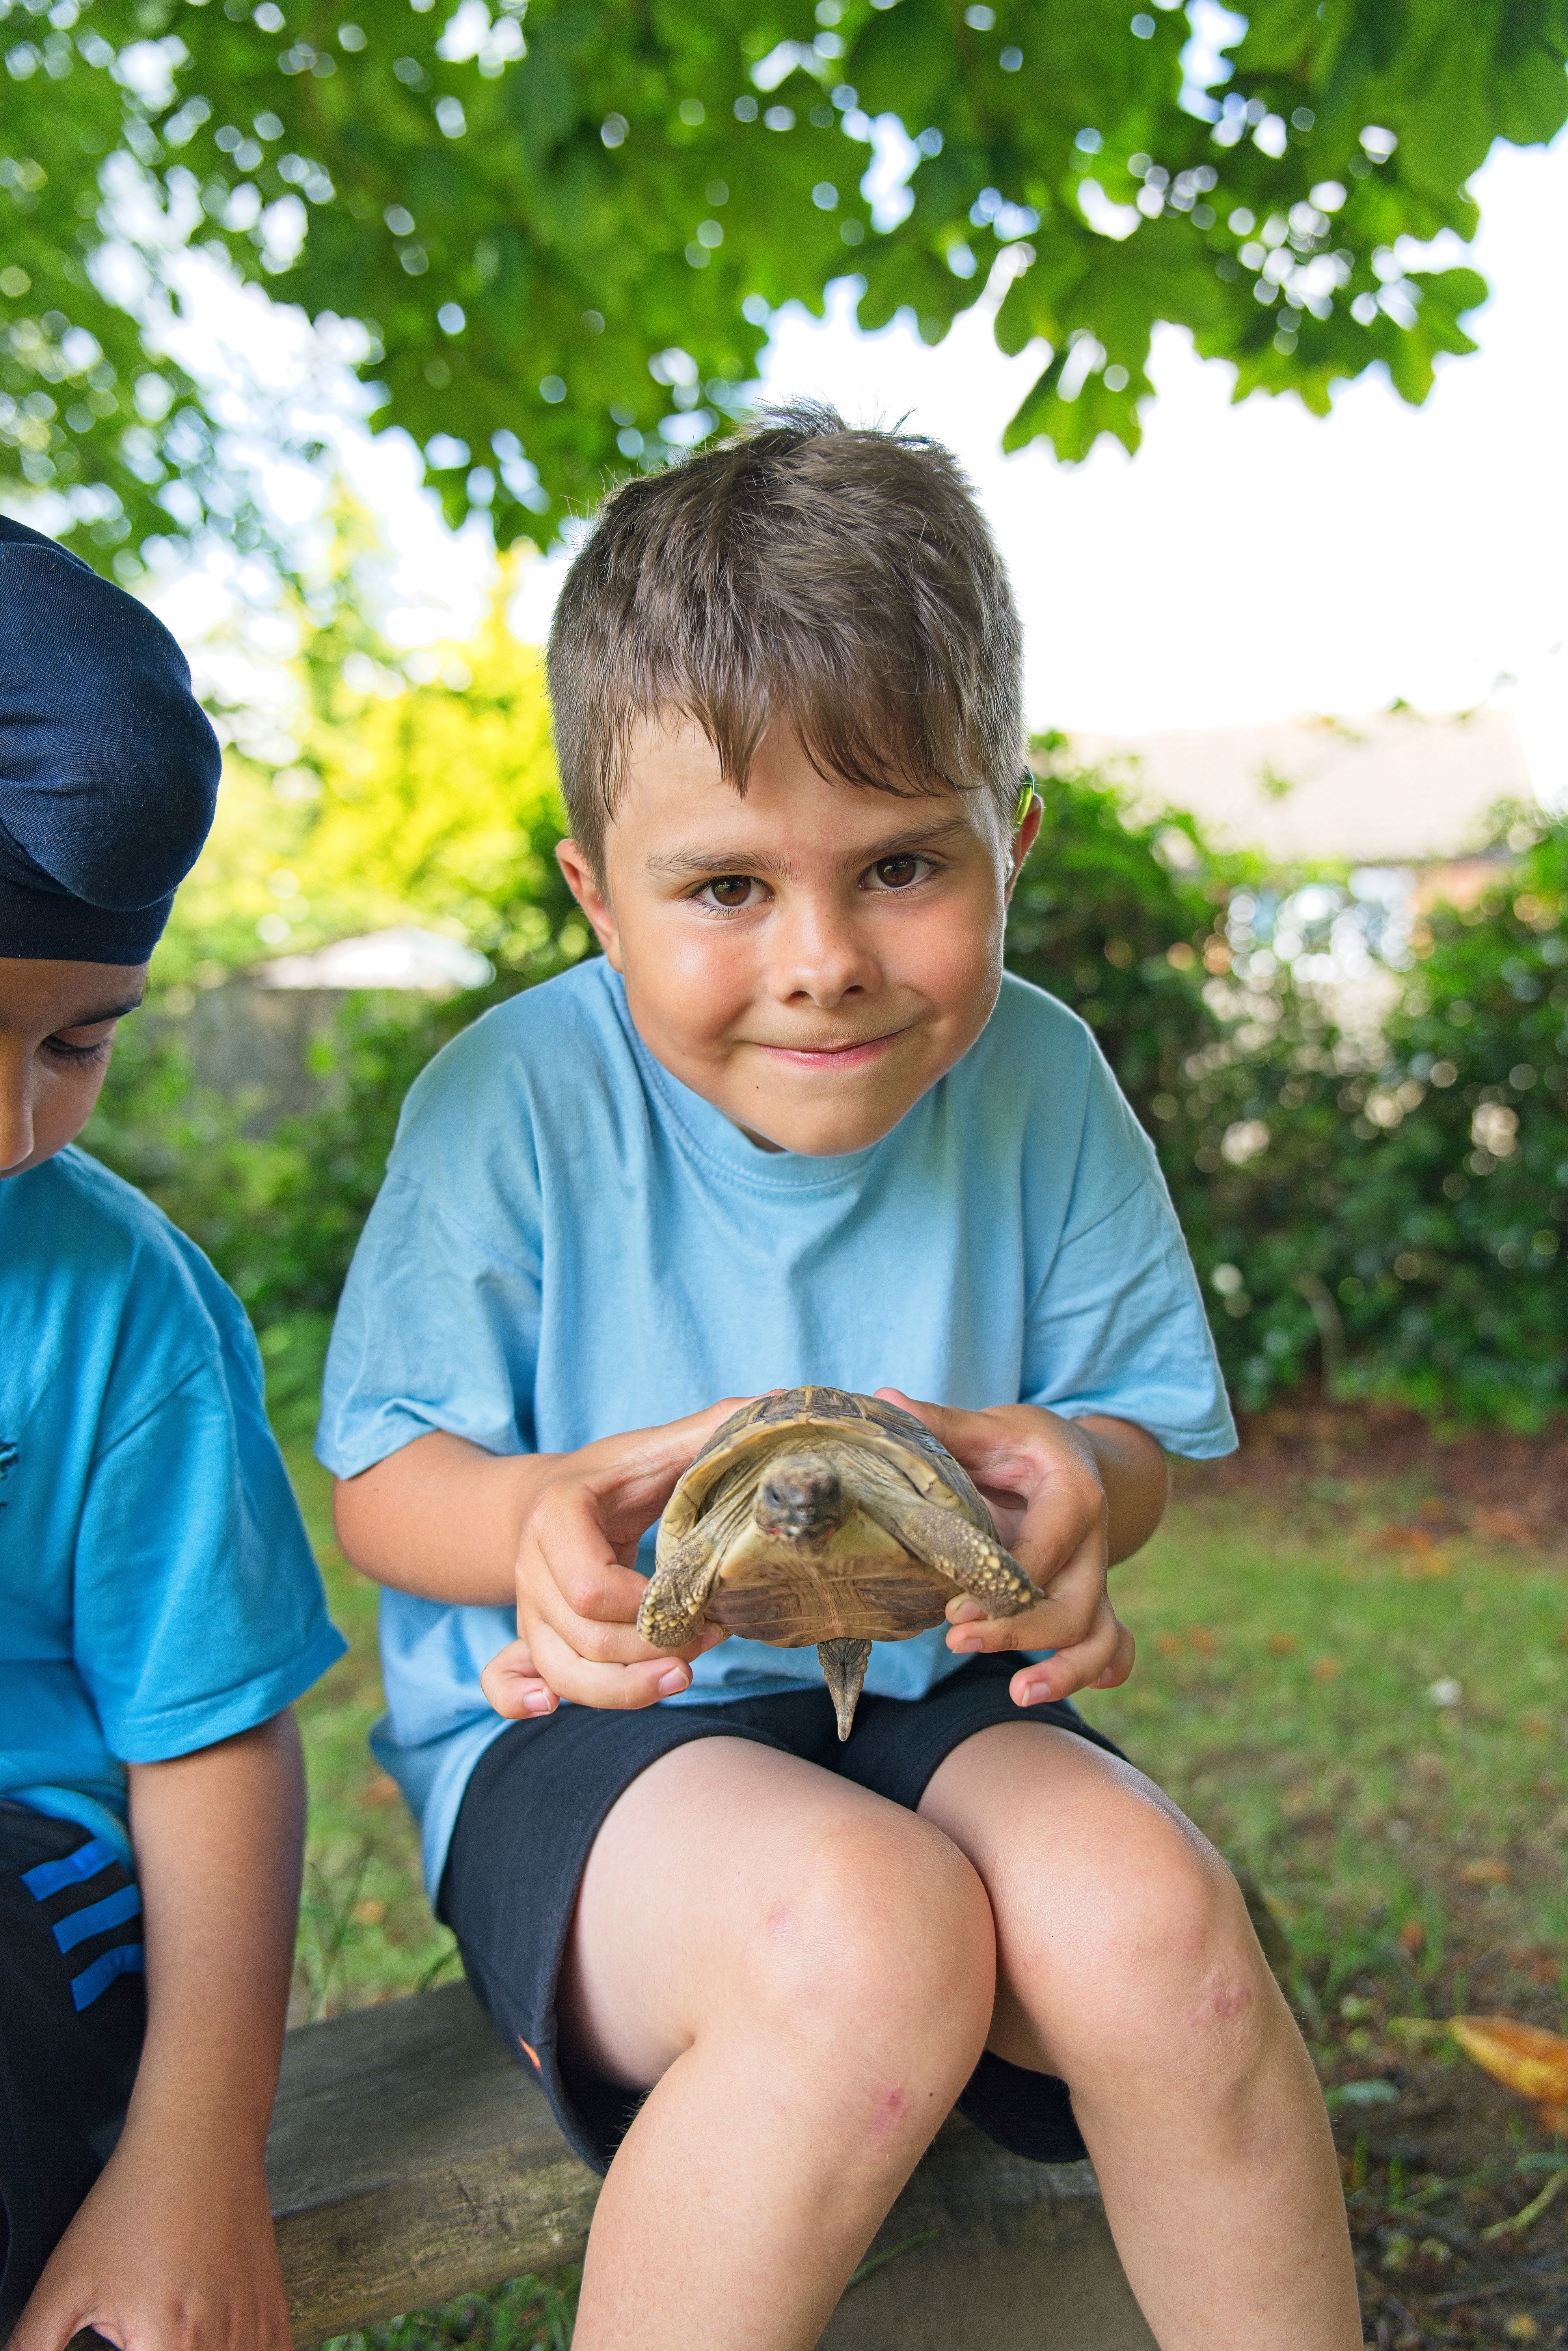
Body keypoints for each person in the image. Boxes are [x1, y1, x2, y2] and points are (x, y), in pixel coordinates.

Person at [322, 408, 1360, 2351]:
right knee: (865, 1938)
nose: (822, 960)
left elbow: (1128, 1435)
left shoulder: (1039, 1078)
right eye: (724, 888)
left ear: (1007, 843)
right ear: (596, 894)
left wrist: (1080, 1482)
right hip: (599, 1737)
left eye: (897, 865)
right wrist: (531, 1522)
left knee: (1160, 1937)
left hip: (935, 1687)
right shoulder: (512, 1100)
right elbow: (384, 1481)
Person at [0, 517, 346, 2350]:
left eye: (77, 1045)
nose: (13, 1127)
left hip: (28, 1902)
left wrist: (196, 2153)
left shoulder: (122, 1306)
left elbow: (207, 1732)